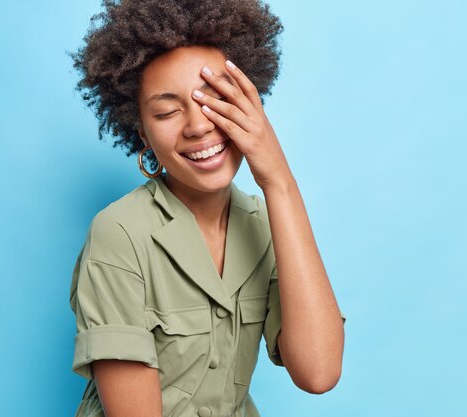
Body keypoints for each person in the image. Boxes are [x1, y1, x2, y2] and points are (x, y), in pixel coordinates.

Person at [68, 1, 346, 416]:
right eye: (167, 111)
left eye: (215, 100)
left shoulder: (267, 225)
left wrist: (279, 183)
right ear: (142, 131)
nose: (198, 125)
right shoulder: (120, 234)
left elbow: (319, 372)